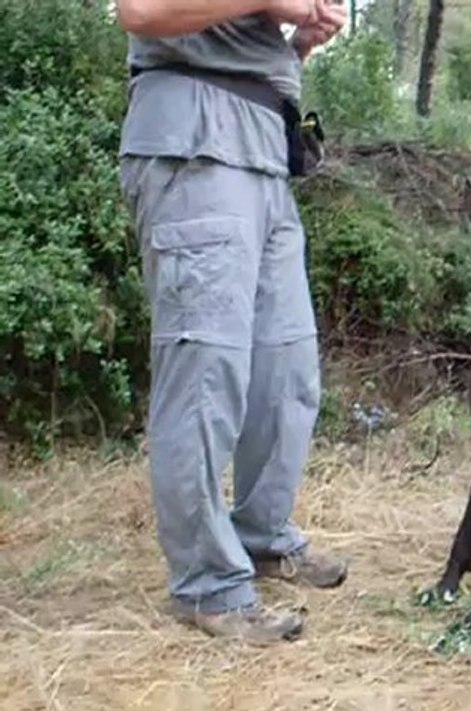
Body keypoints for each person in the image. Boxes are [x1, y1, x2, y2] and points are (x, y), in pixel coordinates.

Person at [115, 0, 349, 644]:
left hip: (265, 150)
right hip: (196, 144)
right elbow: (141, 11)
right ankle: (208, 584)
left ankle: (262, 536)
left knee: (286, 370)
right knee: (204, 375)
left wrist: (297, 42)